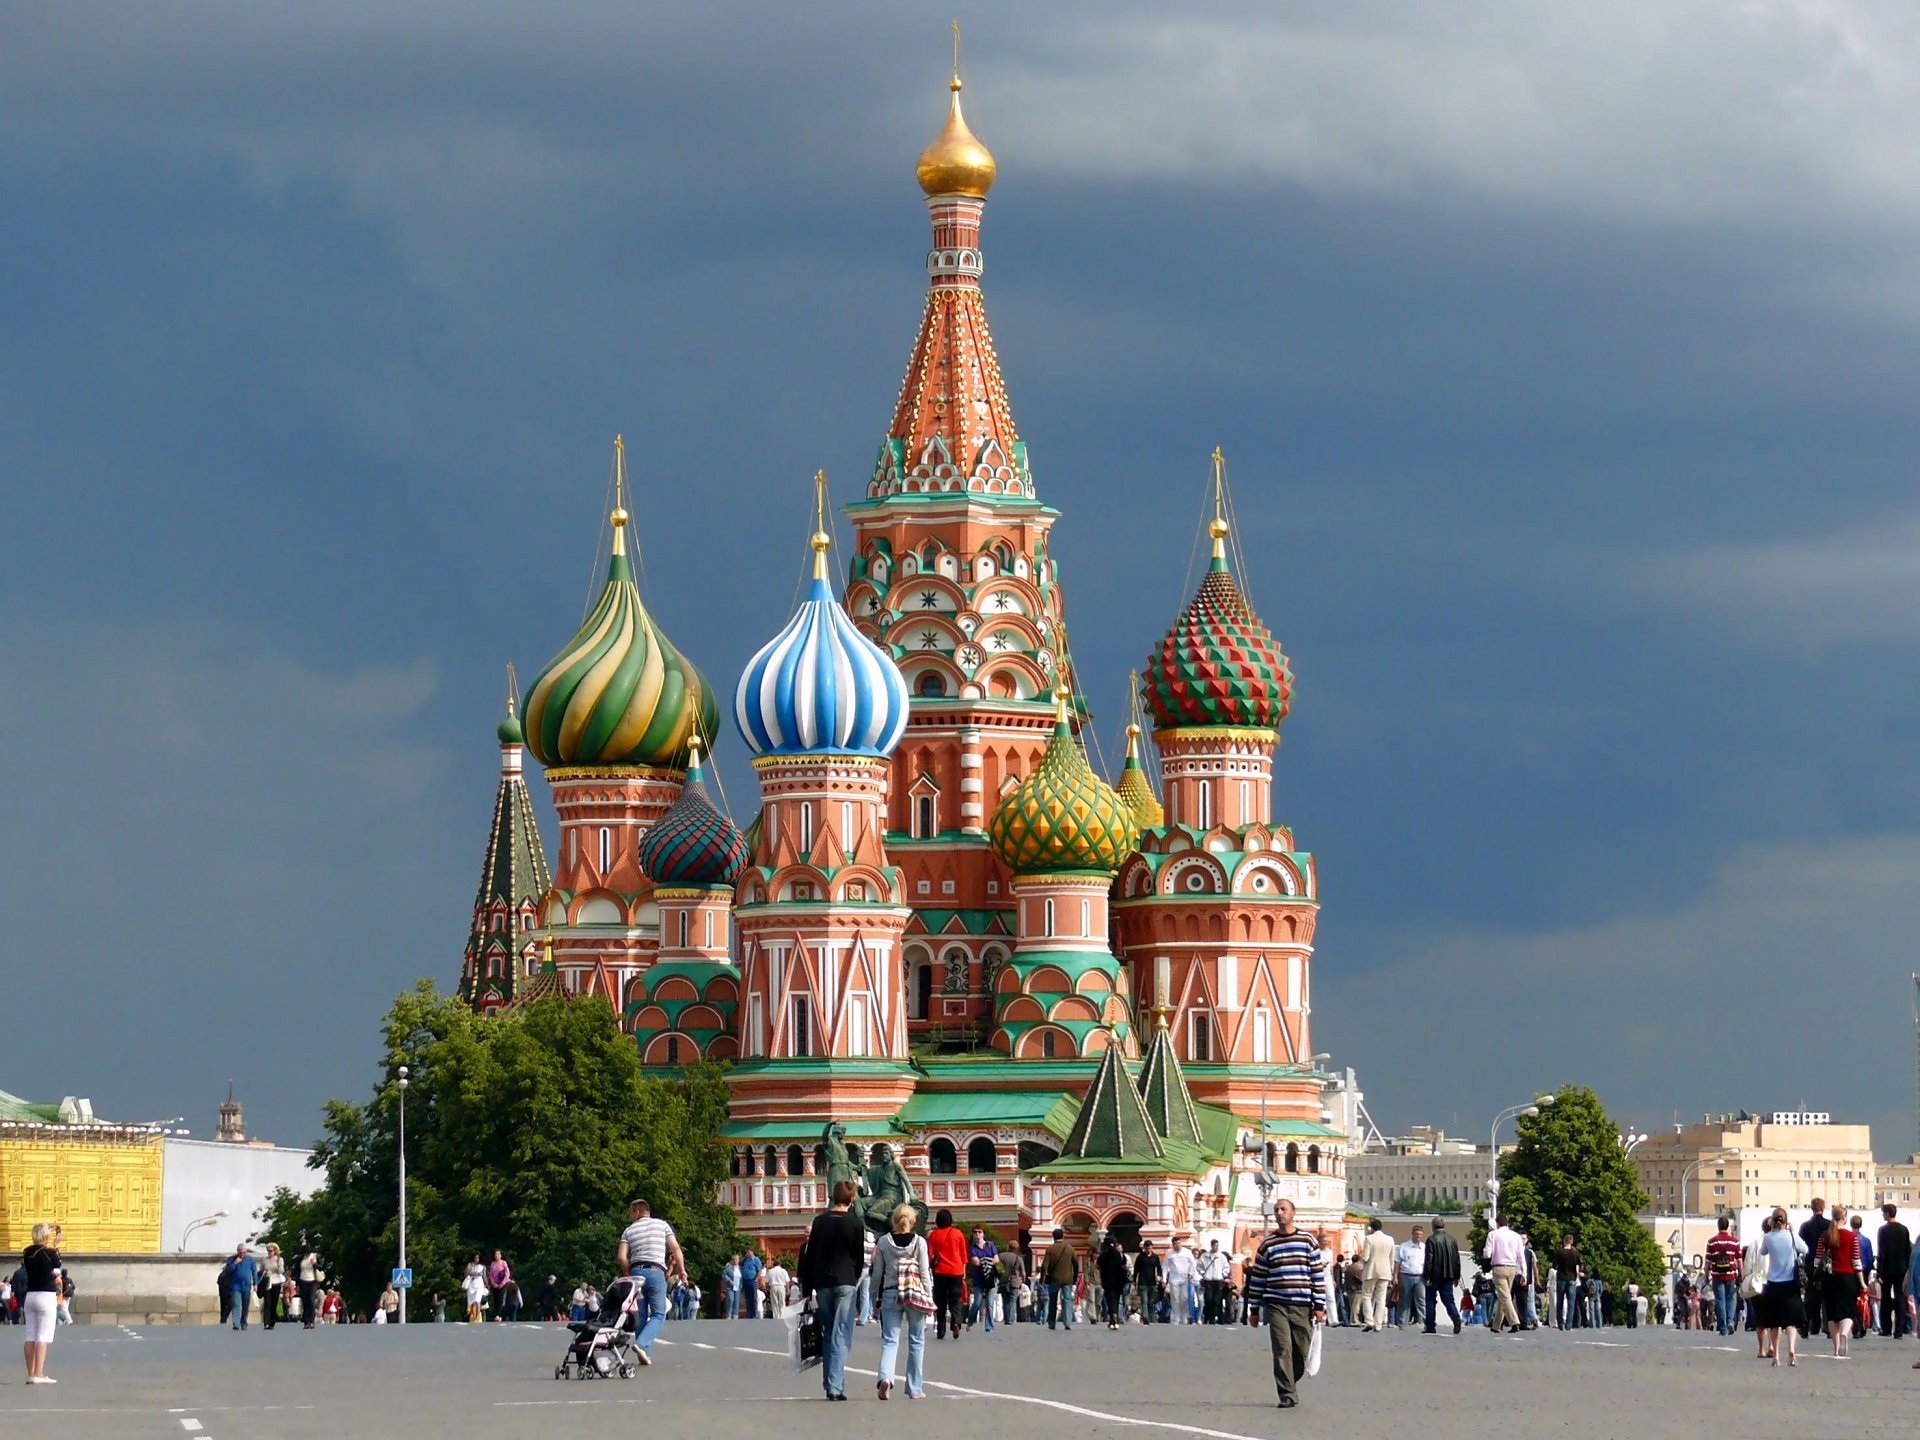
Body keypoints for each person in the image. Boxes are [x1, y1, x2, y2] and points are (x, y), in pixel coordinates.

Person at [1246, 1199, 1325, 1410]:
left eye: (1284, 1209)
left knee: (1301, 1350)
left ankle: (1291, 1377)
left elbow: (1317, 1274)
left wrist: (1319, 1305)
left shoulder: (1307, 1240)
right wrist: (1253, 1309)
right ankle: (1287, 1394)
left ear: (1293, 1213)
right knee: (1282, 1348)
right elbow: (1258, 1277)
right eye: (1277, 1210)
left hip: (1302, 1304)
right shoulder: (1267, 1244)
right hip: (1276, 1304)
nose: (1280, 1213)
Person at [798, 1178, 866, 1401]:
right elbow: (859, 1257)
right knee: (840, 1334)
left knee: (828, 1332)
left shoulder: (819, 1222)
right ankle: (835, 1385)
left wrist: (806, 1286)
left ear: (833, 1196)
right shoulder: (855, 1223)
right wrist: (854, 1277)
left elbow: (811, 1255)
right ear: (852, 1199)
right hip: (845, 1281)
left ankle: (829, 1381)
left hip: (823, 1283)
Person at [868, 1202, 931, 1401]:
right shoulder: (919, 1242)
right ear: (912, 1222)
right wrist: (929, 1298)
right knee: (916, 1341)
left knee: (890, 1340)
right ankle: (914, 1388)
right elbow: (924, 1273)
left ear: (893, 1221)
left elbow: (876, 1274)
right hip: (914, 1293)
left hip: (890, 1293)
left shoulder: (884, 1242)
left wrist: (873, 1298)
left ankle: (885, 1378)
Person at [616, 1195, 688, 1366]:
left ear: (637, 1211)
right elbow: (676, 1249)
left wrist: (627, 1273)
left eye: (630, 1213)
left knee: (641, 1316)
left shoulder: (629, 1230)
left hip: (636, 1274)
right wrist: (682, 1270)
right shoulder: (662, 1225)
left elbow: (621, 1257)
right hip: (655, 1272)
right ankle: (641, 1344)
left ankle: (645, 1353)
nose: (630, 1217)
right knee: (658, 1313)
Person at [1757, 1205, 1808, 1366]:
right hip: (1790, 1283)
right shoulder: (1792, 1236)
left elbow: (1762, 1252)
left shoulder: (1768, 1237)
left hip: (1773, 1283)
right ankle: (1792, 1350)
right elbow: (1805, 1249)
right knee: (1791, 1321)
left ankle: (1776, 1356)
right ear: (1786, 1221)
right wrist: (1791, 1230)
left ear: (1772, 1221)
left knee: (1774, 1322)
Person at [1815, 1203, 1863, 1358]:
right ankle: (1844, 1333)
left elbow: (1817, 1260)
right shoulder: (1852, 1237)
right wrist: (1862, 1282)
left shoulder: (1825, 1235)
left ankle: (1835, 1350)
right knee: (1848, 1312)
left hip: (1829, 1279)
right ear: (1844, 1217)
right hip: (1847, 1278)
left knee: (1832, 1315)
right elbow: (1856, 1261)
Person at [19, 1223, 60, 1384]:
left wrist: (44, 1228)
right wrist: (56, 1246)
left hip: (31, 1296)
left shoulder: (27, 1252)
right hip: (46, 1296)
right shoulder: (50, 1253)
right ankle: (39, 1373)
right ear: (46, 1236)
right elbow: (57, 1270)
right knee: (43, 1336)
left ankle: (31, 1374)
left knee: (30, 1336)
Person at [926, 1210, 967, 1340]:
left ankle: (941, 1329)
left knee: (940, 1301)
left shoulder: (933, 1235)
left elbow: (929, 1255)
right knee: (955, 1299)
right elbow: (963, 1256)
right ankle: (956, 1322)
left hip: (939, 1272)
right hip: (956, 1271)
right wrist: (963, 1271)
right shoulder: (958, 1234)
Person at [1483, 1214, 1526, 1333]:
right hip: (1512, 1268)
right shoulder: (1516, 1236)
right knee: (1504, 1296)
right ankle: (1496, 1325)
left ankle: (1514, 1322)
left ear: (1497, 1224)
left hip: (1499, 1267)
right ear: (1507, 1223)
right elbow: (1521, 1256)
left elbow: (1487, 1253)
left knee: (1505, 1296)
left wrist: (1486, 1261)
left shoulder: (1493, 1235)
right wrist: (1524, 1273)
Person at [1877, 1204, 1912, 1338]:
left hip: (1887, 1269)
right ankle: (1899, 1330)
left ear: (1887, 1214)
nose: (1882, 1215)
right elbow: (1907, 1250)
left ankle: (1885, 1329)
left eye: (1883, 1213)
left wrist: (1879, 1272)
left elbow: (1882, 1252)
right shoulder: (1904, 1229)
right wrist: (1908, 1268)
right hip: (1901, 1269)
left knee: (1885, 1299)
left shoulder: (1883, 1230)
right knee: (1900, 1299)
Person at [1423, 1218, 1462, 1334]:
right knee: (1449, 1300)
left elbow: (1429, 1260)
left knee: (1430, 1300)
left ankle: (1430, 1326)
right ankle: (1456, 1318)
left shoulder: (1431, 1239)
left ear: (1433, 1226)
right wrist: (1457, 1276)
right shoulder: (1452, 1240)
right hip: (1449, 1275)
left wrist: (1427, 1276)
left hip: (1434, 1275)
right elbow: (1457, 1260)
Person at [1799, 1198, 1831, 1336]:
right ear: (1823, 1208)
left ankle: (1810, 1325)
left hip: (1810, 1263)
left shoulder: (1805, 1226)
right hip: (1827, 1264)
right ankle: (1828, 1327)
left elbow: (1800, 1246)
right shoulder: (1829, 1225)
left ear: (1811, 1208)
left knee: (1811, 1296)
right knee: (1827, 1296)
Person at [1704, 1216, 1741, 1337]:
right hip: (1731, 1275)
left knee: (1720, 1300)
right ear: (1727, 1226)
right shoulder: (1734, 1241)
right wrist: (1741, 1274)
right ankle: (1730, 1321)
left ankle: (1723, 1328)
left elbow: (1708, 1262)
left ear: (1718, 1226)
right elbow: (1739, 1260)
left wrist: (1706, 1275)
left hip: (1717, 1275)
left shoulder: (1712, 1242)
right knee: (1731, 1299)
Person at [1357, 1218, 1394, 1331]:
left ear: (1372, 1228)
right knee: (1381, 1298)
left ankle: (1369, 1320)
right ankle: (1378, 1324)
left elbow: (1366, 1256)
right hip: (1385, 1271)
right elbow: (1391, 1258)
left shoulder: (1369, 1238)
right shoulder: (1390, 1239)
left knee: (1367, 1296)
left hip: (1371, 1270)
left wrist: (1361, 1262)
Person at [1041, 1227, 1077, 1330]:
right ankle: (1067, 1322)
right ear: (1063, 1236)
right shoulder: (1070, 1248)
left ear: (1053, 1237)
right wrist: (1074, 1277)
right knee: (1067, 1299)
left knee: (1053, 1301)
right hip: (1067, 1279)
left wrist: (1042, 1279)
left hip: (1053, 1279)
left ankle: (1052, 1323)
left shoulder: (1050, 1249)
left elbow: (1044, 1266)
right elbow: (1075, 1264)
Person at [965, 1227, 999, 1333]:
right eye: (975, 1232)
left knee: (990, 1303)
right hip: (978, 1278)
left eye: (979, 1232)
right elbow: (976, 1262)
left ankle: (989, 1326)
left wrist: (984, 1260)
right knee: (977, 1301)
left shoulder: (990, 1245)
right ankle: (970, 1321)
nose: (977, 1234)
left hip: (990, 1277)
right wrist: (988, 1260)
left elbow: (996, 1259)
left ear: (983, 1234)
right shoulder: (973, 1248)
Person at [1394, 1226, 1426, 1328]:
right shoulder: (1404, 1246)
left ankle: (1424, 1322)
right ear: (1412, 1234)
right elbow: (1397, 1262)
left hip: (1420, 1276)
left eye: (1420, 1235)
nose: (1418, 1237)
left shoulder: (1424, 1247)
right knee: (1404, 1300)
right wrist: (1395, 1276)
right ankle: (1402, 1323)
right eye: (1417, 1234)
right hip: (1406, 1275)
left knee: (1421, 1299)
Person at [1096, 1239, 1130, 1330]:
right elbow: (1124, 1266)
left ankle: (1113, 1315)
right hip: (1119, 1281)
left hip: (1107, 1281)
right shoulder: (1120, 1255)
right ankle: (1114, 1317)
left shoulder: (1103, 1255)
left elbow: (1098, 1266)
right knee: (1117, 1298)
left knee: (1110, 1300)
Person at [1164, 1235, 1197, 1325]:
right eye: (1175, 1244)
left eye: (1178, 1243)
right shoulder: (1169, 1253)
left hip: (1184, 1278)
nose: (1177, 1245)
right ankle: (1175, 1318)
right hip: (1173, 1278)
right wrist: (1164, 1279)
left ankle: (1184, 1317)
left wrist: (1191, 1273)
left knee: (1184, 1298)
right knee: (1175, 1299)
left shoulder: (1187, 1252)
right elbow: (1165, 1266)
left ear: (1180, 1243)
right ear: (1173, 1245)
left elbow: (1193, 1263)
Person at [1553, 1236, 1581, 1330]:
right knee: (1571, 1303)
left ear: (1564, 1241)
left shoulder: (1560, 1252)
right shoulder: (1575, 1253)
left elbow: (1554, 1265)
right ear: (1572, 1241)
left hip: (1561, 1278)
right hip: (1572, 1279)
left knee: (1560, 1302)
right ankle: (1569, 1325)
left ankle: (1560, 1324)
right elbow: (1579, 1264)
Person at [227, 1245, 258, 1331]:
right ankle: (236, 1323)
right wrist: (235, 1263)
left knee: (245, 1305)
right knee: (236, 1304)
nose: (242, 1254)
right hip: (235, 1285)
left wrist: (256, 1283)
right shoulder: (232, 1259)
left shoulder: (250, 1260)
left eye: (244, 1252)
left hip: (246, 1285)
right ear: (237, 1252)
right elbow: (228, 1271)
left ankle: (243, 1322)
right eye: (240, 1252)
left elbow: (254, 1271)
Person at [1134, 1239, 1163, 1323]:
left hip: (1152, 1282)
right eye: (1146, 1249)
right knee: (1144, 1301)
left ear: (1152, 1247)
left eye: (1149, 1248)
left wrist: (1159, 1276)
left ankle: (1151, 1316)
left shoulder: (1155, 1257)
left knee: (1151, 1301)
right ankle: (1145, 1317)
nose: (1148, 1250)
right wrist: (1134, 1279)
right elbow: (1136, 1269)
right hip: (1143, 1282)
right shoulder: (1140, 1257)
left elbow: (1159, 1268)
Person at [259, 1243, 286, 1330]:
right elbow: (260, 1271)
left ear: (275, 1251)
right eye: (268, 1251)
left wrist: (277, 1265)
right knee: (267, 1303)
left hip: (276, 1282)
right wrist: (264, 1273)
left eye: (270, 1251)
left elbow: (281, 1271)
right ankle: (266, 1323)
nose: (269, 1252)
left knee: (274, 1303)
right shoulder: (264, 1260)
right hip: (267, 1283)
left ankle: (272, 1323)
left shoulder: (279, 1259)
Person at [295, 1243, 322, 1330]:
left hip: (313, 1281)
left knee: (311, 1300)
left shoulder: (315, 1256)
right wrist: (297, 1284)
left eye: (307, 1253)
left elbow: (321, 1267)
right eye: (305, 1253)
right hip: (303, 1280)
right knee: (305, 1301)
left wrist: (314, 1264)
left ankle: (312, 1321)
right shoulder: (300, 1258)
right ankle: (306, 1322)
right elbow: (297, 1271)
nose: (306, 1254)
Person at [739, 1246, 764, 1321]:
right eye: (746, 1252)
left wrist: (756, 1279)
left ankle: (754, 1313)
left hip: (753, 1280)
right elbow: (739, 1264)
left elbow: (759, 1270)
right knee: (747, 1297)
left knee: (753, 1297)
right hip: (745, 1281)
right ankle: (749, 1313)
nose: (747, 1253)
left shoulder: (756, 1260)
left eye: (748, 1252)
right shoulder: (745, 1260)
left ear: (752, 1252)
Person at [487, 1250, 512, 1321]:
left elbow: (507, 1274)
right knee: (496, 1300)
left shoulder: (503, 1263)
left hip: (502, 1284)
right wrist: (494, 1284)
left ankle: (499, 1315)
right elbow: (491, 1275)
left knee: (501, 1299)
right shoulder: (492, 1263)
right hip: (495, 1284)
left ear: (501, 1255)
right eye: (495, 1254)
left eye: (498, 1254)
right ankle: (496, 1314)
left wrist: (502, 1283)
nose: (496, 1255)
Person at [722, 1254, 741, 1319]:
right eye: (734, 1259)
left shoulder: (740, 1268)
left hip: (738, 1286)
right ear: (732, 1260)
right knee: (731, 1299)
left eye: (737, 1259)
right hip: (730, 1286)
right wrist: (729, 1281)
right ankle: (728, 1314)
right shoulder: (729, 1267)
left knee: (736, 1301)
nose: (735, 1261)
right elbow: (724, 1274)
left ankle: (735, 1314)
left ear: (738, 1260)